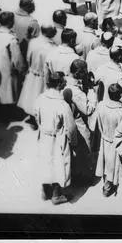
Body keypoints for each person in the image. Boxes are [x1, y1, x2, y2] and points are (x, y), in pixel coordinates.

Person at [33, 71, 77, 205]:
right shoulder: (62, 104)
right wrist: (73, 142)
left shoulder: (40, 98)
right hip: (57, 138)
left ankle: (45, 191)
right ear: (59, 84)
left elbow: (35, 114)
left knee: (45, 163)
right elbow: (71, 127)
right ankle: (56, 195)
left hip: (44, 136)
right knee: (59, 164)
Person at [0, 11, 26, 119]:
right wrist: (21, 68)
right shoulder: (11, 39)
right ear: (10, 22)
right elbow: (17, 58)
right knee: (9, 90)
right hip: (7, 67)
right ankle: (7, 114)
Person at [18, 23, 58, 120]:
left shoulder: (33, 42)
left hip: (32, 73)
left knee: (31, 96)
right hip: (43, 75)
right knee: (40, 97)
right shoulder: (53, 47)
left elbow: (28, 58)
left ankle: (32, 117)